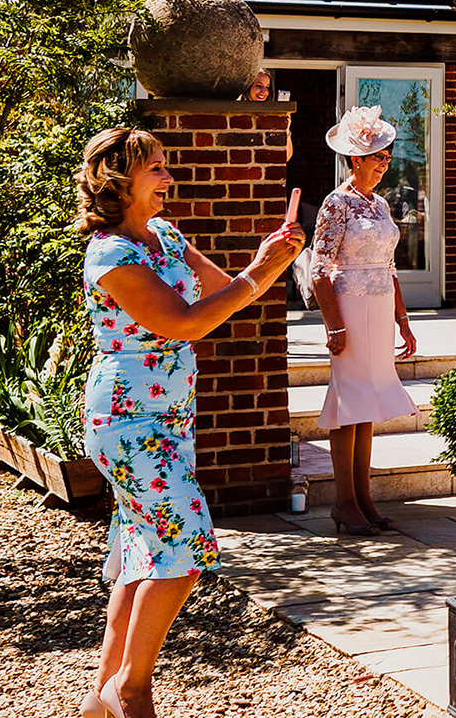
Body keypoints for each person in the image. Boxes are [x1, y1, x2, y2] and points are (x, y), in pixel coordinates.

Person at [76, 127, 305, 718]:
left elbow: (227, 292)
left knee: (142, 552)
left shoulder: (165, 235)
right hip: (127, 420)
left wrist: (272, 259)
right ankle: (132, 688)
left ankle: (102, 698)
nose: (169, 178)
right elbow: (184, 323)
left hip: (170, 418)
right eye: (156, 168)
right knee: (186, 550)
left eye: (165, 166)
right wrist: (257, 272)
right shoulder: (109, 254)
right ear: (118, 182)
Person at [311, 106, 419, 535]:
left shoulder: (378, 205)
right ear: (355, 159)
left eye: (388, 157)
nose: (384, 164)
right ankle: (344, 501)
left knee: (368, 405)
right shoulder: (335, 203)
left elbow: (389, 266)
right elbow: (319, 267)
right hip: (350, 309)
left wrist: (403, 320)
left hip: (378, 308)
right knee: (349, 403)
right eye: (378, 157)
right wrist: (333, 325)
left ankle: (364, 497)